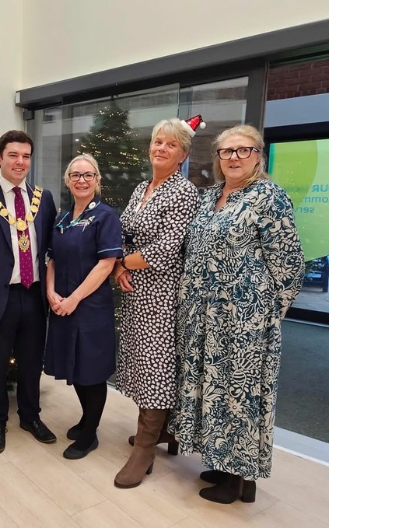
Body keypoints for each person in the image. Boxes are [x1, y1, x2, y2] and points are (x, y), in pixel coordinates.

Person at [169, 124, 305, 504]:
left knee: (240, 394)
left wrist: (263, 314)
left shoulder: (268, 197)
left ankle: (239, 478)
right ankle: (225, 462)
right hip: (202, 317)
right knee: (213, 390)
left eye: (243, 150)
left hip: (244, 320)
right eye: (226, 151)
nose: (233, 157)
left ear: (258, 155)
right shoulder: (209, 195)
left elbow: (290, 265)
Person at [112, 117, 201, 489]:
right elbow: (126, 231)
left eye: (171, 144)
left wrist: (121, 263)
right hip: (136, 292)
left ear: (182, 155)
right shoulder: (141, 187)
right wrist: (119, 265)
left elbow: (167, 249)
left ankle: (145, 447)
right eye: (157, 141)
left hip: (162, 294)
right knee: (141, 362)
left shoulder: (184, 192)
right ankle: (163, 432)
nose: (161, 148)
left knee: (156, 368)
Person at [0, 130, 58, 454]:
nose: (20, 162)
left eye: (25, 156)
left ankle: (30, 416)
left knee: (32, 361)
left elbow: (51, 246)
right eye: (13, 156)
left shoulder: (42, 198)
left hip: (33, 294)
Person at [44, 154, 123, 460]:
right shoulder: (62, 218)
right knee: (74, 367)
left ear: (97, 180)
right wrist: (51, 292)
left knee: (91, 371)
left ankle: (90, 434)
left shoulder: (105, 216)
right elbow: (51, 259)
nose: (81, 180)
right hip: (61, 305)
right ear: (67, 180)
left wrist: (74, 299)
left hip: (89, 309)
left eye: (88, 175)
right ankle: (85, 419)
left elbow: (105, 265)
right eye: (75, 175)